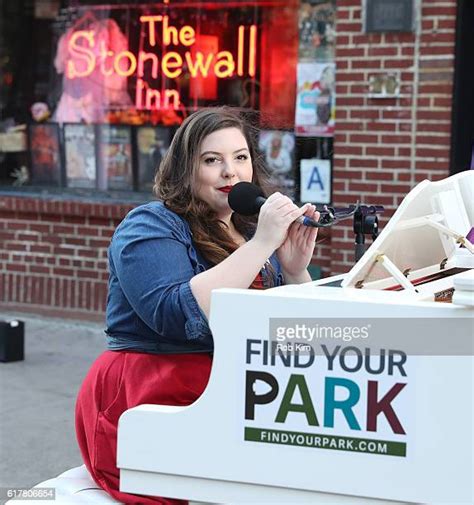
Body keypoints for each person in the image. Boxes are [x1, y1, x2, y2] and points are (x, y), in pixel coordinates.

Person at [75, 107, 319, 504]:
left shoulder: (251, 232)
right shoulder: (150, 225)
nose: (231, 172)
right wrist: (262, 246)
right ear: (185, 168)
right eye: (212, 160)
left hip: (232, 400)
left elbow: (292, 339)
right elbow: (174, 313)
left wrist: (293, 272)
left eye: (241, 158)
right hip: (151, 397)